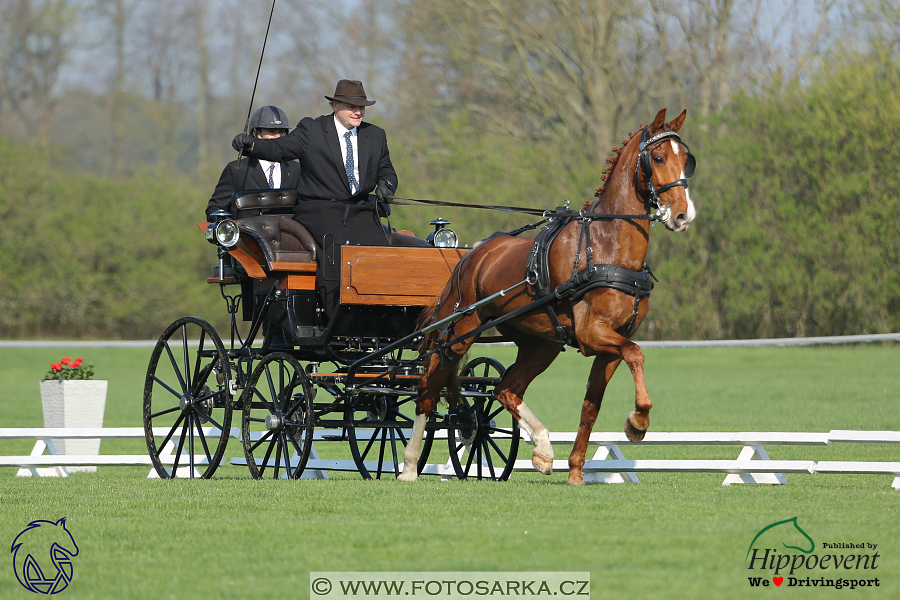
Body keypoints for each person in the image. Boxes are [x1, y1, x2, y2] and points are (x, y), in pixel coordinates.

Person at [232, 79, 397, 246]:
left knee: (381, 251)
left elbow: (386, 170)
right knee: (340, 248)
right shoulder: (312, 130)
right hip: (320, 212)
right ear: (336, 106)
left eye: (361, 107)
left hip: (361, 212)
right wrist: (252, 145)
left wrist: (387, 185)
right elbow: (280, 148)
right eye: (351, 107)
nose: (358, 112)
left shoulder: (375, 135)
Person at [206, 105, 301, 219]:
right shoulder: (237, 169)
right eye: (271, 131)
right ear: (256, 134)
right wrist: (233, 230)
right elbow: (215, 209)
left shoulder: (296, 169)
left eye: (281, 132)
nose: (278, 136)